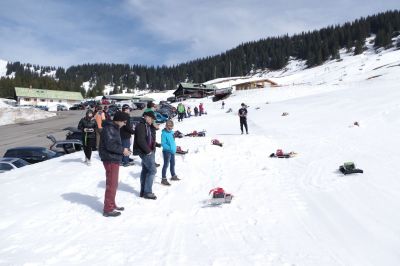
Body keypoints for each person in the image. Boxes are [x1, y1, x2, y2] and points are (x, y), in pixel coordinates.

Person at [99, 111, 131, 217]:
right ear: (119, 120)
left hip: (113, 159)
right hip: (110, 159)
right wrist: (123, 150)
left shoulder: (114, 128)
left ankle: (112, 204)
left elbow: (114, 144)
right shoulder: (110, 128)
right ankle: (108, 209)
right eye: (124, 122)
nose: (125, 124)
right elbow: (111, 146)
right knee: (111, 184)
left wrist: (124, 149)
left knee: (114, 184)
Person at [132, 111, 158, 200]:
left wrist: (153, 127)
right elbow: (140, 140)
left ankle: (143, 191)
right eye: (152, 119)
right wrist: (148, 151)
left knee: (145, 170)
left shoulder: (147, 126)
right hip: (145, 151)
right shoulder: (141, 126)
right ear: (147, 117)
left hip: (148, 150)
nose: (152, 121)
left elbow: (150, 138)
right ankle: (147, 192)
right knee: (152, 170)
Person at [160, 120, 180, 186]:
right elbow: (163, 143)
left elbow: (172, 141)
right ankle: (163, 179)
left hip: (172, 151)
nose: (170, 128)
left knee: (173, 164)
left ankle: (173, 175)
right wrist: (170, 148)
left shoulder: (172, 132)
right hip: (167, 152)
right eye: (169, 127)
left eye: (171, 127)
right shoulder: (164, 133)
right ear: (166, 126)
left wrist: (174, 147)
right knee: (166, 165)